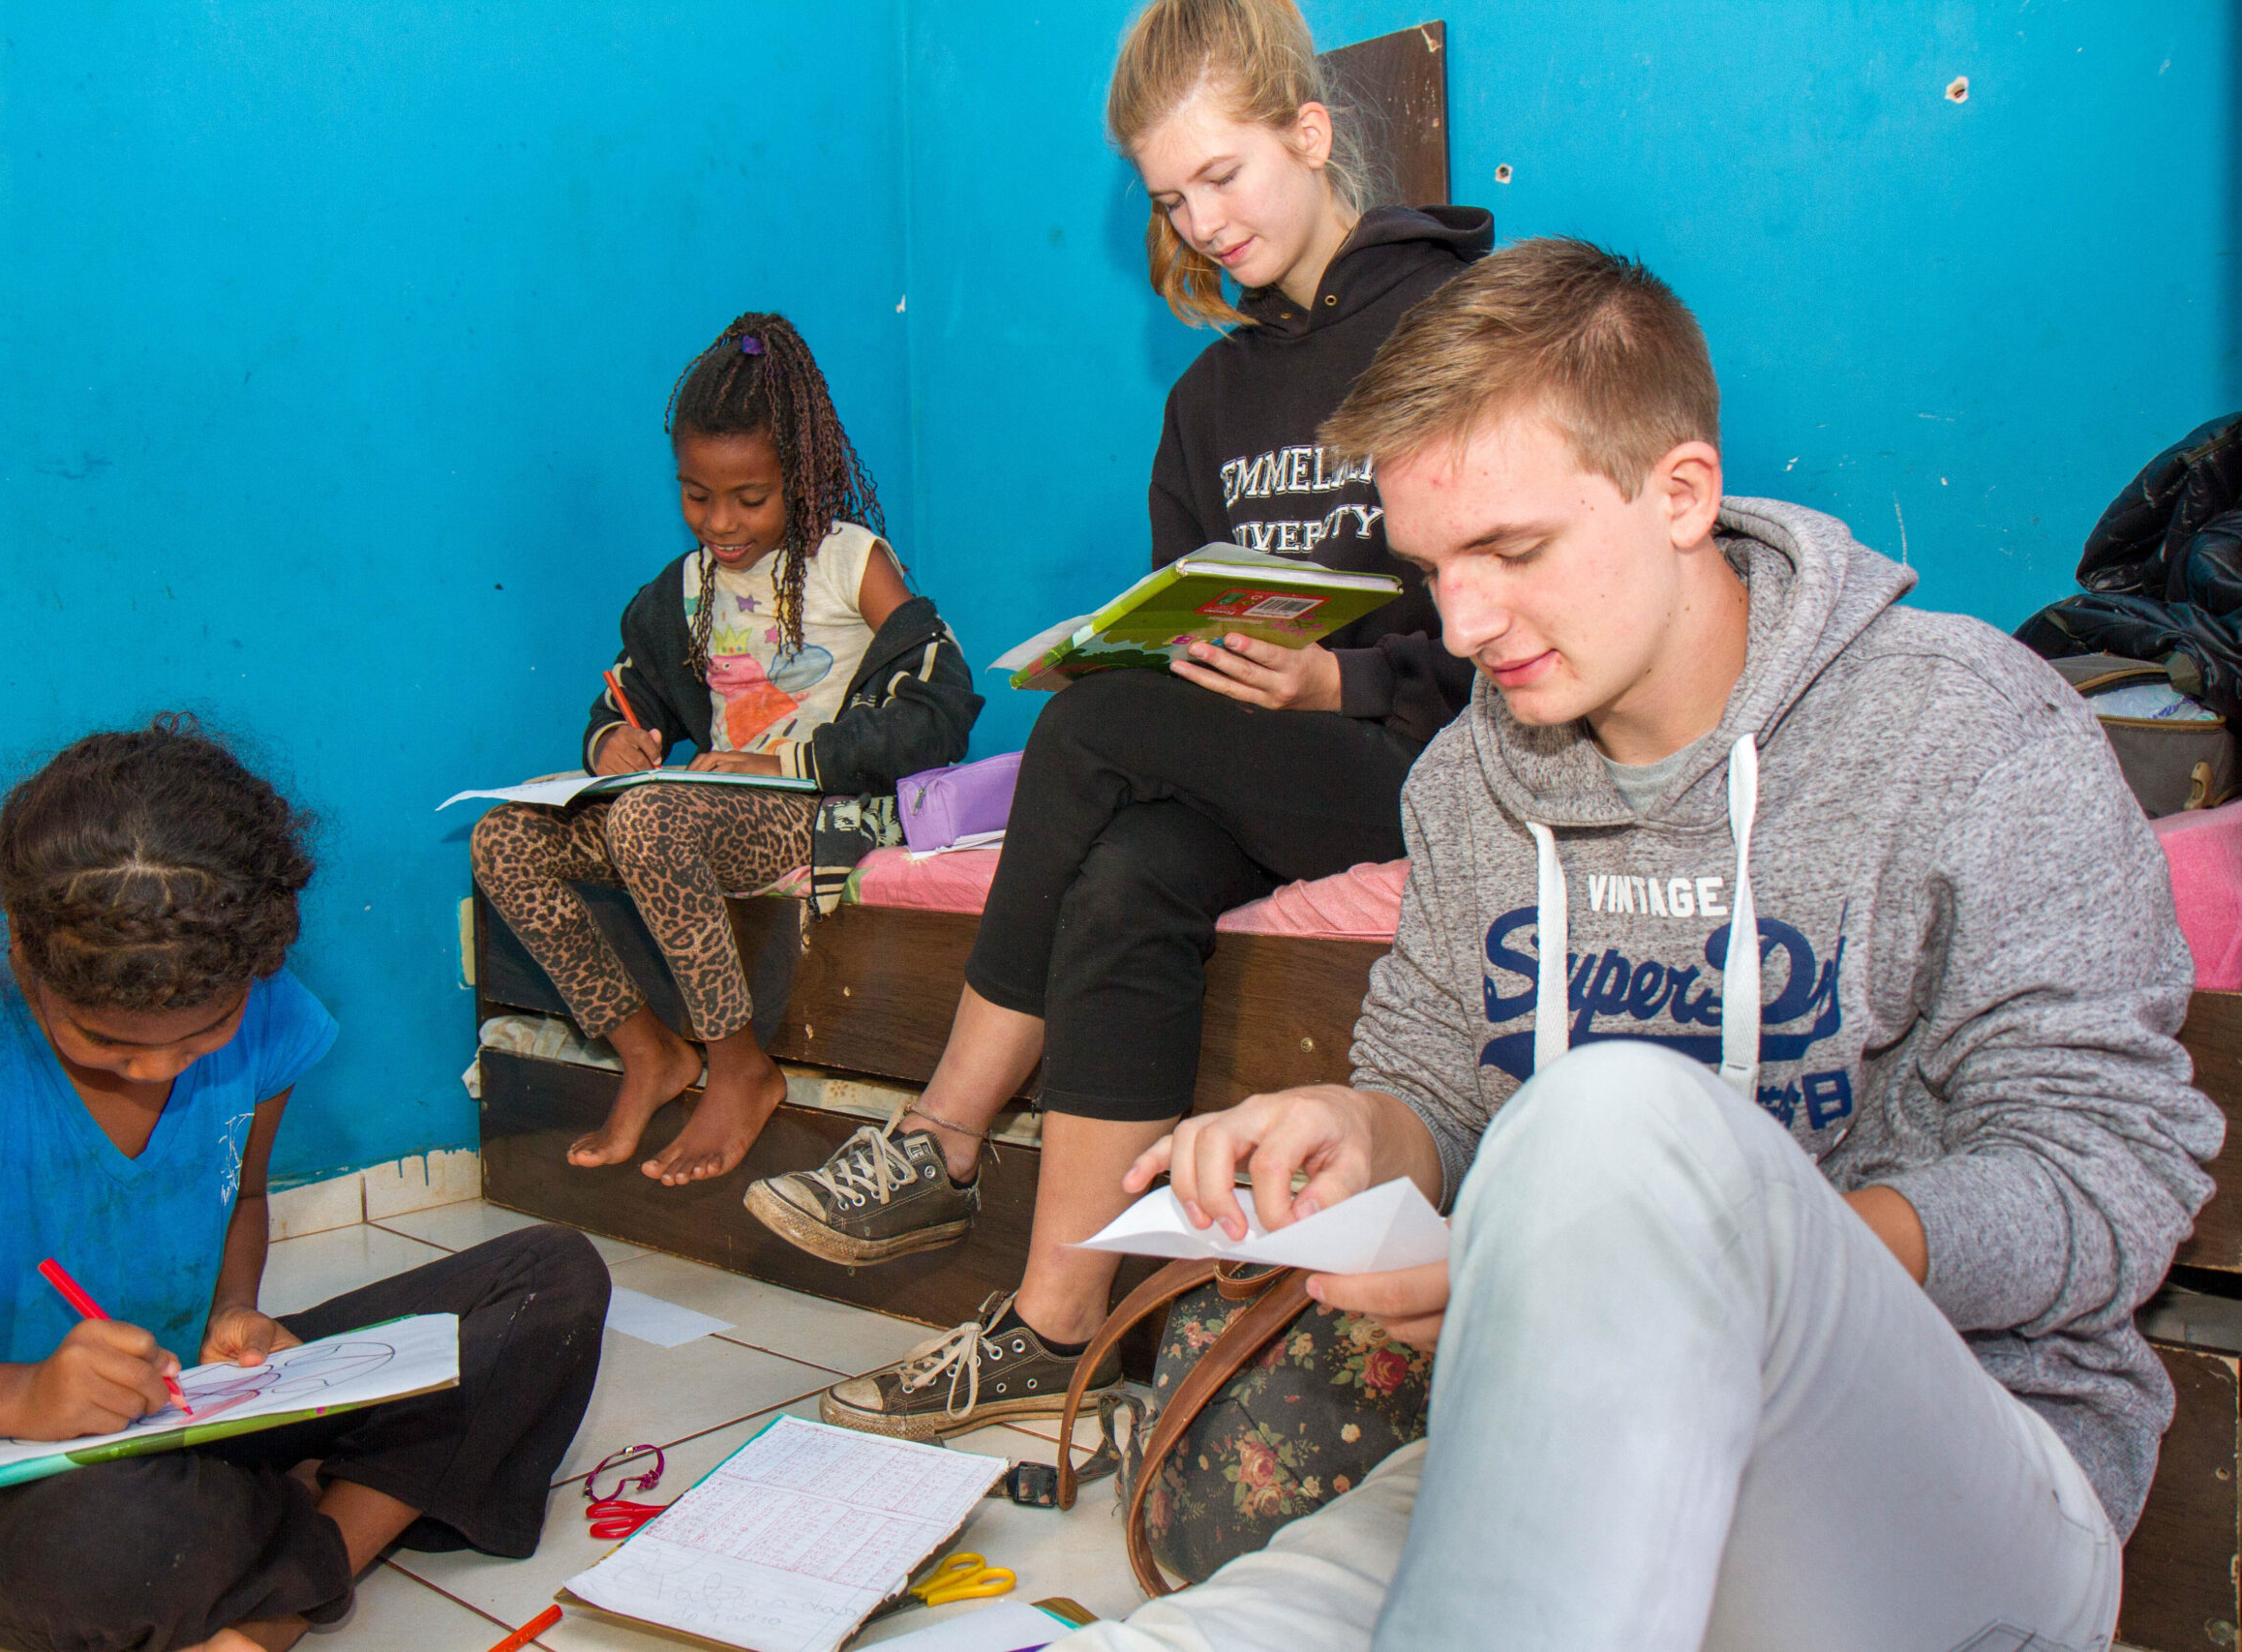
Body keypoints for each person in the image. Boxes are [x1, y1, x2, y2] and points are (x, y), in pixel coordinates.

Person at [1066, 239, 2220, 1650]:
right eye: (1433, 569)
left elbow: (2110, 1169)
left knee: (1608, 1113)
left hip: (1958, 1484)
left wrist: (1724, 1275)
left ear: (1682, 491)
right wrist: (1358, 1127)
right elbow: (1435, 1085)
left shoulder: (1972, 733)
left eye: (1513, 549)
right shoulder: (1467, 780)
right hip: (1563, 1437)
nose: (1467, 624)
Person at [742, 0, 1489, 1438]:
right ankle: (1057, 1325)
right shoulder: (1207, 398)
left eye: (1224, 176)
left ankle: (943, 1135)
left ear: (1311, 133)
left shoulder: (1451, 329)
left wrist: (1341, 678)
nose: (1201, 221)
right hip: (1265, 765)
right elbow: (1193, 613)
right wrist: (1172, 654)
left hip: (1423, 755)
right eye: (1169, 197)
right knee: (1132, 866)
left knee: (1084, 743)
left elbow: (1526, 617)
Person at [0, 715, 611, 1652]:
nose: (158, 1072)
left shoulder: (266, 1015)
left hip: (179, 1412)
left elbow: (241, 1198)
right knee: (125, 1536)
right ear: (21, 950)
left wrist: (235, 1312)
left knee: (551, 1280)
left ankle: (272, 1580)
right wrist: (20, 1401)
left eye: (199, 1037)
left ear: (254, 968)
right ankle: (315, 1546)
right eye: (109, 1044)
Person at [469, 311, 980, 1186]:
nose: (721, 522)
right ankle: (649, 1052)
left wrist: (786, 763)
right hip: (704, 817)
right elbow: (625, 693)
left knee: (650, 823)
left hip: (819, 814)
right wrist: (612, 742)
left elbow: (941, 696)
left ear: (804, 474)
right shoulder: (683, 592)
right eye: (696, 494)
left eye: (750, 497)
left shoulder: (846, 560)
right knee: (503, 842)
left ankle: (738, 1063)